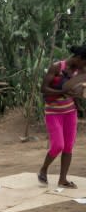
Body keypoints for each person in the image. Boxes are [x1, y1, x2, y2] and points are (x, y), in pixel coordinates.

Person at [37, 44, 86, 189]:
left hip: (70, 112)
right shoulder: (57, 67)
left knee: (68, 147)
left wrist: (78, 100)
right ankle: (44, 168)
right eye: (85, 61)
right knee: (58, 145)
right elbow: (43, 89)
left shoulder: (80, 70)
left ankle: (62, 179)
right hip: (53, 112)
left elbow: (77, 89)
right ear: (78, 58)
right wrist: (63, 92)